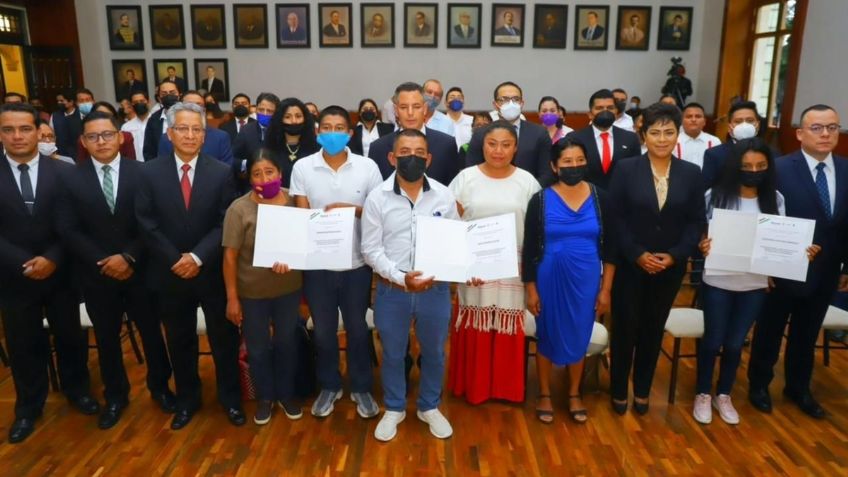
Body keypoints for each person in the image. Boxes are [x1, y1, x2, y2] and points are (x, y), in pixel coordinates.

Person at [58, 111, 175, 429]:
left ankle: (161, 388)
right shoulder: (70, 179)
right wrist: (105, 261)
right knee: (108, 340)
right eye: (93, 136)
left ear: (121, 137)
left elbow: (151, 222)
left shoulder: (144, 173)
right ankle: (116, 396)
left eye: (107, 134)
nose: (101, 141)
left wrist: (128, 257)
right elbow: (68, 229)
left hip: (141, 270)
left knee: (152, 335)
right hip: (97, 276)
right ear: (83, 141)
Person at [135, 102, 244, 430]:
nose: (190, 135)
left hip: (210, 271)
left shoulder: (222, 172)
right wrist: (175, 260)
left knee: (223, 339)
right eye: (182, 128)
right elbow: (145, 221)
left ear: (205, 134)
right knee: (180, 340)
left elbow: (225, 221)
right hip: (169, 273)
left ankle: (230, 398)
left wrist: (196, 257)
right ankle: (187, 399)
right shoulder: (149, 172)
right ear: (169, 133)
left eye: (197, 129)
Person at [0, 103, 97, 443]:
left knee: (70, 336)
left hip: (62, 272)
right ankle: (28, 407)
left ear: (38, 131)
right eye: (8, 129)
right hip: (13, 277)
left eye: (24, 128)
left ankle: (78, 391)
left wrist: (52, 257)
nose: (17, 136)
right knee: (23, 343)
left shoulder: (65, 172)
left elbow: (76, 224)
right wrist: (23, 262)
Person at [693, 138, 808, 425]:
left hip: (754, 285)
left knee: (734, 344)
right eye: (746, 166)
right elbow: (700, 233)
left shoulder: (776, 199)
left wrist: (801, 252)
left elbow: (781, 240)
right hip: (718, 280)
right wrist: (703, 245)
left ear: (768, 169)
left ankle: (724, 394)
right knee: (712, 341)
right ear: (735, 167)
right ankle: (703, 393)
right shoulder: (715, 196)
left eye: (760, 166)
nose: (753, 171)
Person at [361, 129, 463, 442]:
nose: (412, 157)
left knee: (434, 352)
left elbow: (456, 240)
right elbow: (370, 250)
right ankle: (394, 407)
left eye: (419, 152)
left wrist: (464, 267)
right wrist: (399, 276)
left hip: (435, 288)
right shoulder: (377, 197)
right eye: (405, 151)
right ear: (392, 158)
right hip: (394, 289)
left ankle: (428, 406)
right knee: (392, 353)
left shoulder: (444, 196)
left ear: (429, 158)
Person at [748, 104, 848, 419]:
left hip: (829, 268)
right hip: (782, 267)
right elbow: (761, 217)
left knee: (807, 332)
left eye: (832, 127)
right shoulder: (778, 169)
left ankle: (798, 387)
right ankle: (759, 385)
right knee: (770, 329)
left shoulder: (846, 169)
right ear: (800, 133)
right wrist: (763, 266)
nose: (825, 134)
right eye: (817, 128)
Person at [608, 103, 705, 416]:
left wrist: (675, 256)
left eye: (668, 132)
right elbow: (616, 219)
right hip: (631, 264)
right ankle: (619, 388)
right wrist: (637, 254)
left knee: (653, 328)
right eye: (655, 132)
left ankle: (644, 389)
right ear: (643, 135)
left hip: (669, 267)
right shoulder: (625, 169)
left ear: (677, 135)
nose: (662, 139)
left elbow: (695, 222)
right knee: (625, 329)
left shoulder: (691, 173)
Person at [290, 106, 384, 419]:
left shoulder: (367, 167)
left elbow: (377, 212)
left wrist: (351, 210)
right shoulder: (303, 167)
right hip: (317, 266)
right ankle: (329, 385)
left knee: (358, 329)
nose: (333, 133)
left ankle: (361, 387)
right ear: (317, 132)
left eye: (339, 127)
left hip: (358, 264)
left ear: (350, 132)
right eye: (327, 127)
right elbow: (302, 216)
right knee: (323, 331)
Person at [447, 121, 541, 405]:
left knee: (507, 325)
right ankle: (473, 386)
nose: (498, 151)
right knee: (475, 323)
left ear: (515, 148)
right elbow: (450, 223)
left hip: (514, 270)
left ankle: (506, 388)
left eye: (506, 144)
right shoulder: (465, 178)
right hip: (474, 270)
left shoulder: (528, 181)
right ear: (482, 145)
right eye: (492, 144)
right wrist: (458, 267)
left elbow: (537, 230)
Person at [523, 138, 616, 424]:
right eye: (567, 162)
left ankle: (575, 392)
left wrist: (606, 290)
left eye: (579, 161)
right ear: (554, 165)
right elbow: (529, 249)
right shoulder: (540, 199)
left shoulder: (602, 198)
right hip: (549, 276)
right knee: (547, 332)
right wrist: (531, 289)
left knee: (580, 331)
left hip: (587, 277)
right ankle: (545, 394)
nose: (574, 166)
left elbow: (611, 249)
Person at [222, 149, 303, 425]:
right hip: (252, 293)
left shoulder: (296, 202)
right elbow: (230, 257)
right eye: (257, 173)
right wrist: (232, 298)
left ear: (280, 174)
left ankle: (287, 394)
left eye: (269, 172)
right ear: (249, 178)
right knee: (257, 348)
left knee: (286, 343)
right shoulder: (239, 208)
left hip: (289, 290)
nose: (263, 177)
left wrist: (293, 259)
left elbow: (307, 242)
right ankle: (265, 397)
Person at [368, 82, 460, 186]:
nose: (410, 113)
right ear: (396, 110)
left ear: (425, 109)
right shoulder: (378, 148)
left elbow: (452, 190)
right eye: (403, 107)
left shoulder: (447, 145)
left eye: (416, 106)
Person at [466, 81, 552, 183]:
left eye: (516, 99)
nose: (511, 104)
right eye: (504, 100)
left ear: (522, 103)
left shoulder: (539, 133)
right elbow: (472, 172)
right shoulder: (480, 134)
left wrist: (529, 194)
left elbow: (546, 174)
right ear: (495, 104)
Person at [565, 89, 641, 189]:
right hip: (586, 198)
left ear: (616, 111)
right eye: (599, 108)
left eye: (610, 108)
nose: (605, 112)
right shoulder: (574, 138)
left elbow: (636, 173)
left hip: (621, 200)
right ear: (590, 114)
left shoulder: (630, 138)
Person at [156, 91, 233, 167]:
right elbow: (162, 168)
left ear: (204, 110)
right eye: (189, 105)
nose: (193, 109)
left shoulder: (221, 137)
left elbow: (225, 171)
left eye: (198, 105)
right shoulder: (166, 138)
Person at [702, 101, 761, 189]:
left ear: (758, 125)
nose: (744, 125)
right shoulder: (714, 155)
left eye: (750, 121)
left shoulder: (773, 154)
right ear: (729, 127)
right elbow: (706, 189)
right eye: (738, 121)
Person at [264, 97, 319, 187]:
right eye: (287, 117)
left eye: (298, 116)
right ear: (279, 119)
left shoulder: (316, 147)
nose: (294, 121)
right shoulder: (270, 147)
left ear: (305, 119)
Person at [233, 92, 280, 191]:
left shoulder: (282, 131)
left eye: (270, 111)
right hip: (252, 187)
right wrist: (246, 164)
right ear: (256, 109)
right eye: (261, 110)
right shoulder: (246, 130)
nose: (265, 114)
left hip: (278, 185)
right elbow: (232, 158)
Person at [142, 80, 181, 161]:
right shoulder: (153, 119)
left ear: (179, 95)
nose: (169, 96)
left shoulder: (190, 115)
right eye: (164, 94)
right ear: (159, 99)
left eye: (172, 93)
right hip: (161, 168)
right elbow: (149, 150)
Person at [676, 102, 721, 169]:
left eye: (698, 116)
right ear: (682, 121)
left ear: (704, 121)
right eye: (689, 116)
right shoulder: (674, 141)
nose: (693, 120)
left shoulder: (714, 141)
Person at [51, 89, 83, 157]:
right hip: (62, 154)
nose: (59, 103)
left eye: (62, 101)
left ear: (71, 102)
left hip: (79, 154)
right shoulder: (54, 116)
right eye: (58, 101)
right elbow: (52, 136)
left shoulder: (81, 114)